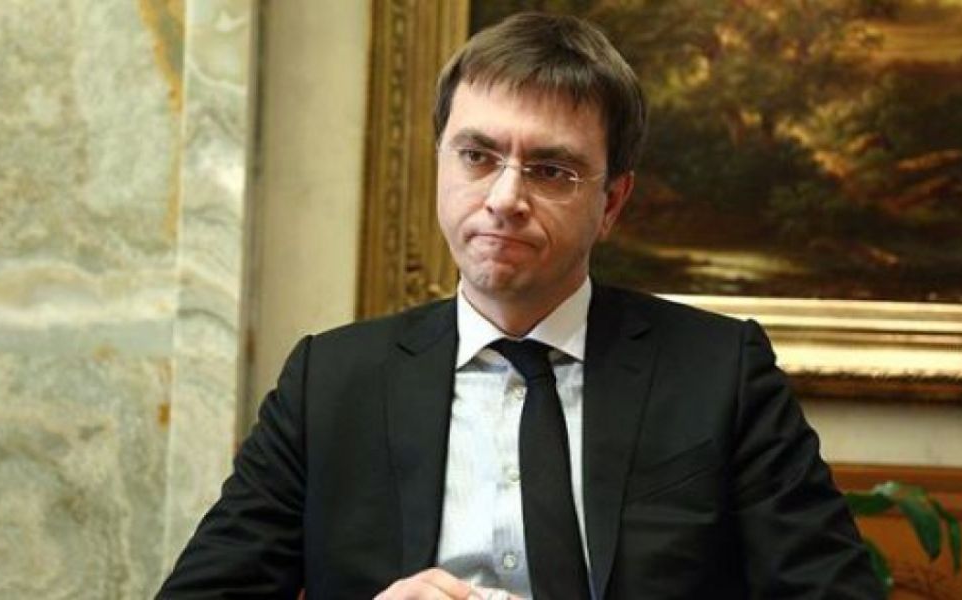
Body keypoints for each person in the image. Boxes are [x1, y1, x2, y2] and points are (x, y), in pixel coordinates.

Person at [158, 12, 881, 600]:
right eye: (477, 156)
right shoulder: (330, 383)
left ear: (612, 203)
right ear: (441, 163)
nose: (505, 198)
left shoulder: (720, 373)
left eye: (551, 170)